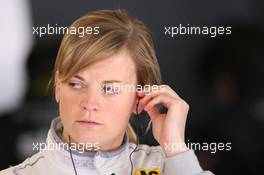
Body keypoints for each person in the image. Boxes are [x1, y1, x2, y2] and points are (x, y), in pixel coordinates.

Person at [0, 9, 213, 175]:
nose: (90, 103)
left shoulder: (170, 167)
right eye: (76, 84)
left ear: (140, 95)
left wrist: (175, 147)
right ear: (57, 86)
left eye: (109, 88)